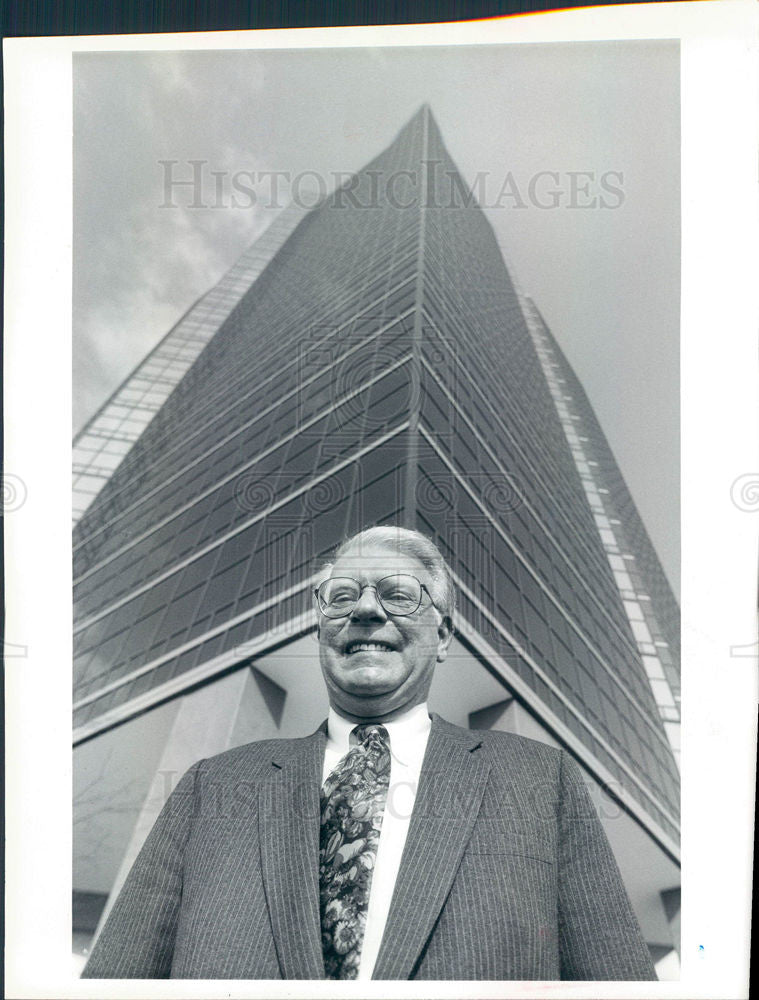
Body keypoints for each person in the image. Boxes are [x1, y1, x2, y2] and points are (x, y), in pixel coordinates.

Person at [82, 525, 656, 981]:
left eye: (399, 595)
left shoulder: (539, 780)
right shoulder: (214, 786)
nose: (365, 610)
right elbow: (114, 980)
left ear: (445, 634)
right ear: (320, 627)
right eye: (343, 596)